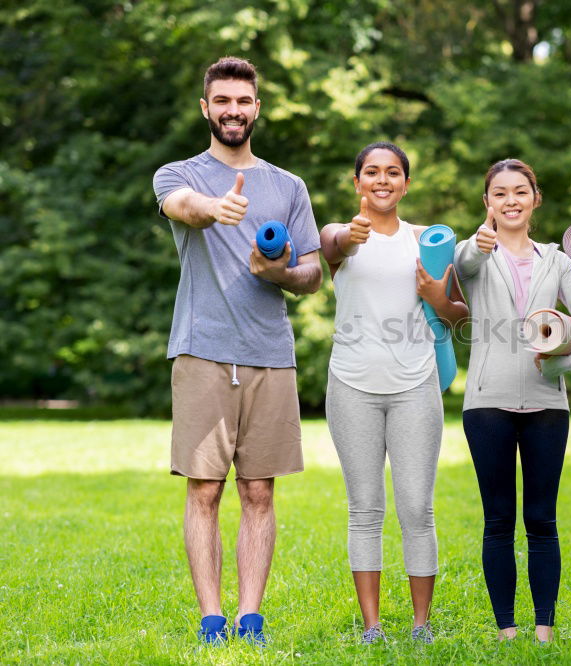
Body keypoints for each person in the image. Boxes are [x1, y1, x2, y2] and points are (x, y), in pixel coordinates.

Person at [152, 56, 322, 645]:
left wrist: (275, 272)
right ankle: (211, 619)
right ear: (206, 108)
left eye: (242, 101)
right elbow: (181, 208)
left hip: (270, 354)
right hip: (202, 351)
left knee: (259, 490)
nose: (232, 110)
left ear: (257, 107)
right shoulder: (181, 174)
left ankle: (251, 618)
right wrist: (214, 208)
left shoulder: (288, 186)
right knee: (205, 489)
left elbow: (313, 274)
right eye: (221, 101)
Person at [319, 141, 468, 645]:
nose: (382, 180)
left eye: (393, 172)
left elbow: (459, 316)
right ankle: (372, 627)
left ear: (406, 183)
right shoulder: (339, 235)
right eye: (372, 172)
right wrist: (349, 235)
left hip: (415, 386)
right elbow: (335, 244)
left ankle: (421, 626)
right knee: (364, 508)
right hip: (352, 387)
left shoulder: (428, 240)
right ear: (356, 181)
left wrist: (436, 297)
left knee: (415, 507)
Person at [454, 159, 571, 643]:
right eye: (500, 193)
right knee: (498, 519)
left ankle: (544, 627)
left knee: (542, 519)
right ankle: (506, 629)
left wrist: (560, 366)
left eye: (520, 191)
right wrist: (479, 245)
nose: (511, 200)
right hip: (487, 403)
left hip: (547, 404)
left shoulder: (557, 260)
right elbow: (463, 267)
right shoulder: (473, 251)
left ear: (536, 198)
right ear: (487, 204)